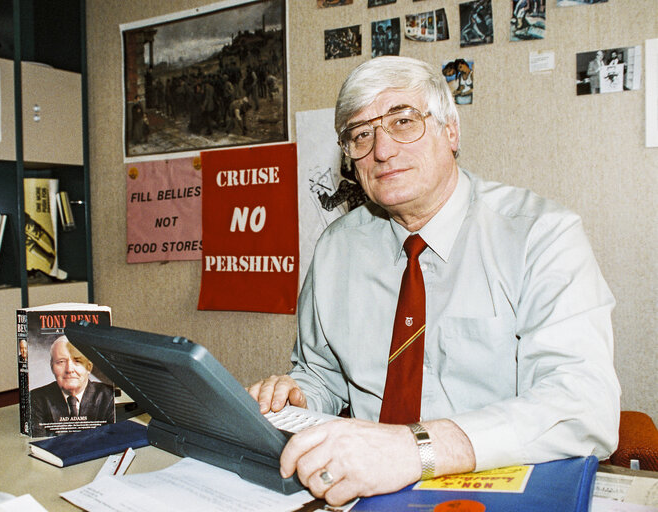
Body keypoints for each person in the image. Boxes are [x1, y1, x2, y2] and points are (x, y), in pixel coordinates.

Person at [248, 56, 619, 506]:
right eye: (361, 134)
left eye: (403, 121)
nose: (382, 150)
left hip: (495, 485)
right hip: (360, 488)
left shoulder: (540, 235)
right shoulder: (336, 249)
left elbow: (584, 406)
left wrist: (415, 450)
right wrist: (297, 399)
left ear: (451, 131)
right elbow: (321, 375)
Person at [30, 336, 115, 436]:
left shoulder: (109, 395)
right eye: (61, 361)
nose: (69, 369)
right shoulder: (36, 398)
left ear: (89, 367)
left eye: (77, 361)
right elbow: (39, 441)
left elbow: (110, 438)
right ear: (52, 367)